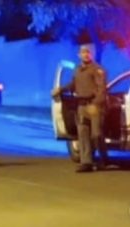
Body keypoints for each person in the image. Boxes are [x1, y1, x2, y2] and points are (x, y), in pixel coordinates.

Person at [52, 44, 109, 173]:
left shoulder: (98, 70)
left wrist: (95, 104)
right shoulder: (77, 70)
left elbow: (102, 90)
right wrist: (60, 89)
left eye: (88, 52)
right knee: (83, 135)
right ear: (79, 55)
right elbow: (73, 84)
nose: (85, 54)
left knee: (96, 135)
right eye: (83, 52)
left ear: (91, 54)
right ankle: (86, 162)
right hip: (81, 105)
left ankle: (104, 159)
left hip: (94, 106)